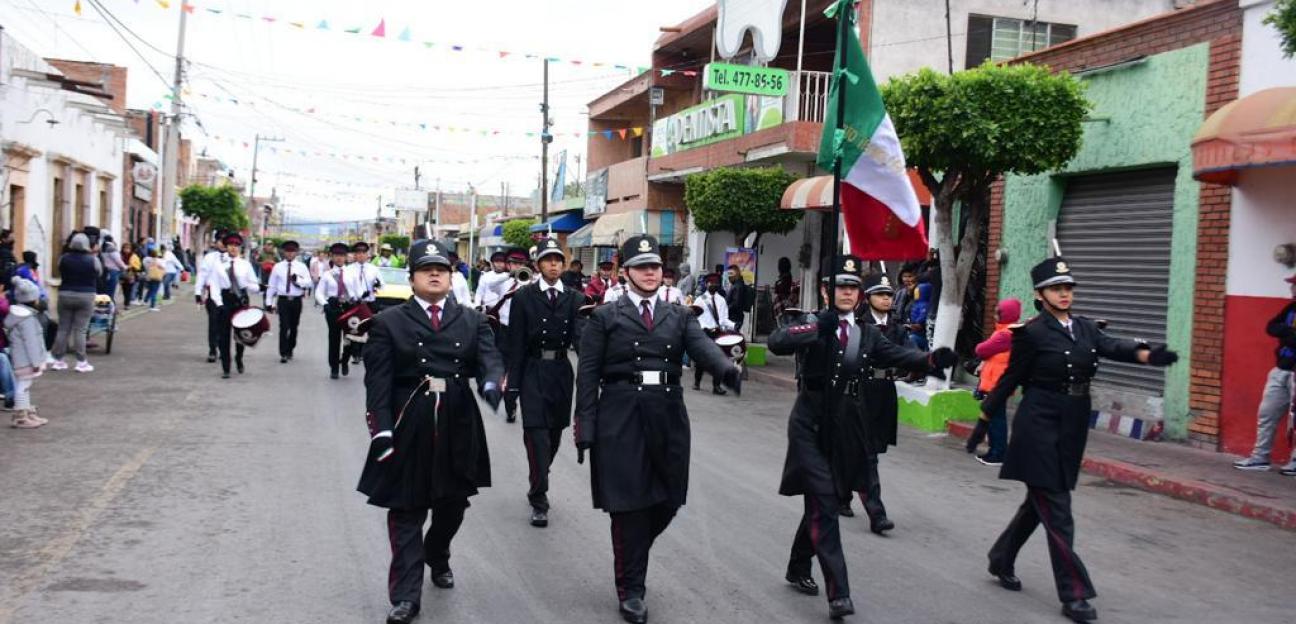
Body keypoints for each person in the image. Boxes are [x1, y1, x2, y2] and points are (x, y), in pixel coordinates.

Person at [982, 257, 1178, 623]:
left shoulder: (1086, 328)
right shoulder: (1032, 334)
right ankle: (1074, 594)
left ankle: (1000, 557)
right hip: (1037, 425)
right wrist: (983, 420)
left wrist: (1148, 354)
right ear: (1040, 295)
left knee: (1037, 505)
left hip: (1071, 425)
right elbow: (1010, 380)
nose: (1065, 293)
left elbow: (1113, 346)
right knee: (1057, 509)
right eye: (1057, 288)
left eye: (1068, 287)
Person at [768, 255, 954, 620]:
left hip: (845, 424)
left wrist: (931, 360)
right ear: (827, 290)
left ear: (861, 294)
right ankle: (839, 593)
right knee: (825, 502)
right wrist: (816, 326)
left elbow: (898, 355)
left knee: (828, 497)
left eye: (853, 287)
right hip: (809, 423)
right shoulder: (812, 323)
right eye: (841, 286)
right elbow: (777, 342)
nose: (848, 293)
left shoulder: (867, 334)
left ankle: (797, 566)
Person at [574, 234, 741, 624]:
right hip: (620, 413)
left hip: (667, 413)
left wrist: (727, 371)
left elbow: (702, 349)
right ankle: (632, 589)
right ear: (626, 272)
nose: (651, 273)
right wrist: (586, 426)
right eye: (642, 267)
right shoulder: (604, 317)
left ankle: (630, 554)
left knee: (668, 500)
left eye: (656, 267)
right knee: (629, 506)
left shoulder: (679, 315)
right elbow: (587, 376)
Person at [357, 240, 503, 624]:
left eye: (442, 269)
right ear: (412, 278)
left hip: (457, 417)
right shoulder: (389, 322)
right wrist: (381, 430)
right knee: (406, 509)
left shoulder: (472, 320)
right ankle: (406, 596)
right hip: (410, 418)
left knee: (453, 504)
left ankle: (437, 553)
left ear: (452, 277)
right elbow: (378, 383)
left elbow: (489, 358)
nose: (435, 274)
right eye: (426, 269)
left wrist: (492, 383)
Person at [505, 236, 584, 528]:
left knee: (553, 436)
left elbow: (581, 340)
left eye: (558, 260)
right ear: (538, 265)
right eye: (548, 260)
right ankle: (540, 499)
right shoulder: (524, 297)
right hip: (532, 371)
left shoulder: (575, 298)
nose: (553, 264)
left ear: (563, 265)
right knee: (536, 436)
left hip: (562, 371)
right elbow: (515, 344)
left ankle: (539, 476)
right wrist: (511, 386)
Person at [838, 272, 911, 530]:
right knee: (867, 454)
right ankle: (876, 513)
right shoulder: (857, 325)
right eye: (881, 294)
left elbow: (908, 354)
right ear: (867, 298)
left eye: (889, 294)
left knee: (871, 448)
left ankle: (842, 493)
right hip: (861, 390)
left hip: (885, 392)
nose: (886, 299)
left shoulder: (898, 327)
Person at [1233, 273, 1296, 475]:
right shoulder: (1291, 308)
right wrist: (1288, 332)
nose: (1291, 289)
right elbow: (1271, 326)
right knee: (1267, 413)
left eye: (1294, 285)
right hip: (1281, 370)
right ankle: (1260, 457)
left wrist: (1288, 335)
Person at [968, 298, 1023, 467]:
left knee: (996, 420)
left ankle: (998, 453)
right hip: (996, 383)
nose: (994, 315)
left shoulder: (1005, 335)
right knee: (993, 418)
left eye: (998, 312)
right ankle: (995, 450)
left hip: (996, 384)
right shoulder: (1006, 332)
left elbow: (981, 349)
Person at [202, 232, 261, 379]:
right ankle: (226, 367)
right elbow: (214, 286)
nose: (233, 248)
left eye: (236, 246)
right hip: (225, 299)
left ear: (240, 248)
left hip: (240, 300)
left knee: (241, 334)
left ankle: (239, 358)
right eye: (230, 245)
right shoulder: (219, 265)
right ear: (226, 247)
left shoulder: (245, 265)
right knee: (223, 335)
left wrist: (255, 286)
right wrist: (219, 303)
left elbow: (254, 285)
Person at [487, 249, 531, 423]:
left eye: (521, 264)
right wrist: (509, 275)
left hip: (525, 334)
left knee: (523, 369)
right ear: (509, 264)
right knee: (504, 371)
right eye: (514, 263)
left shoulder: (530, 282)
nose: (518, 266)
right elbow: (491, 286)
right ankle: (510, 405)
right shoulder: (503, 281)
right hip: (505, 332)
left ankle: (518, 400)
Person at [50, 233, 101, 373]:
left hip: (65, 293)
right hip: (86, 295)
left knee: (63, 328)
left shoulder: (64, 259)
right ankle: (81, 361)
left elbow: (60, 269)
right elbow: (98, 273)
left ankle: (58, 360)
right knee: (80, 329)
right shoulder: (92, 260)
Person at [6, 277, 48, 429]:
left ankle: (27, 412)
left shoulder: (19, 315)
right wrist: (37, 362)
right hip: (26, 360)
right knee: (23, 386)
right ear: (32, 300)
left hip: (21, 358)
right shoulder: (27, 319)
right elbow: (32, 342)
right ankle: (21, 416)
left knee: (24, 385)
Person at [265, 240, 312, 364]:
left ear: (296, 253)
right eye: (287, 251)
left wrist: (298, 280)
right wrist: (269, 302)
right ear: (284, 252)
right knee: (283, 326)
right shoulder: (278, 267)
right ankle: (283, 352)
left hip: (296, 300)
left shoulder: (301, 267)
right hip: (283, 300)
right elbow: (272, 285)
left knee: (294, 327)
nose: (290, 254)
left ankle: (291, 347)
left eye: (292, 252)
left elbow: (309, 283)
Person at [314, 243, 354, 379]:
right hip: (333, 307)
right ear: (332, 257)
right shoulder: (327, 275)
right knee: (334, 338)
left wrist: (364, 294)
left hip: (349, 307)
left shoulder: (351, 273)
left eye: (342, 255)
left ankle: (345, 360)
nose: (339, 258)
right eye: (336, 255)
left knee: (350, 338)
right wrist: (325, 304)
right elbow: (319, 292)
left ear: (346, 257)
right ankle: (334, 367)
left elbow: (358, 291)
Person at [342, 241, 384, 365]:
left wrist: (377, 285)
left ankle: (361, 353)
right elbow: (347, 286)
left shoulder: (374, 269)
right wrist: (357, 296)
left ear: (367, 255)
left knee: (367, 329)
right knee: (355, 328)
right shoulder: (349, 269)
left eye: (363, 253)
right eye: (358, 253)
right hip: (355, 303)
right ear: (355, 255)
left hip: (369, 303)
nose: (360, 255)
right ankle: (354, 353)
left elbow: (382, 285)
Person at [692, 273, 734, 394]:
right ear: (706, 284)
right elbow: (696, 317)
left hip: (718, 332)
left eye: (716, 283)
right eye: (711, 283)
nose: (713, 285)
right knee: (702, 359)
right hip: (704, 332)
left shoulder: (721, 300)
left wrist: (733, 325)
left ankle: (716, 386)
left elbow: (723, 319)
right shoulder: (700, 300)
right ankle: (697, 381)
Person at [193, 235, 226, 363]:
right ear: (216, 242)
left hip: (228, 295)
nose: (223, 244)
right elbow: (202, 275)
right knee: (213, 323)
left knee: (225, 325)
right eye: (220, 241)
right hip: (212, 295)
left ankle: (224, 349)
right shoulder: (209, 257)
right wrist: (197, 292)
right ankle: (213, 350)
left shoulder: (233, 258)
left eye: (225, 241)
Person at [725, 264, 754, 331]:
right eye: (728, 274)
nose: (729, 276)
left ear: (737, 274)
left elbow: (736, 303)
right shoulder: (738, 285)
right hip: (736, 317)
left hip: (733, 317)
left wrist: (725, 310)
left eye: (731, 273)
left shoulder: (737, 286)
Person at [100, 235, 126, 301]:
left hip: (104, 270)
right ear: (112, 240)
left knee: (105, 291)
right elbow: (117, 260)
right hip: (113, 271)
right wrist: (124, 267)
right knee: (111, 291)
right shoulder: (111, 248)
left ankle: (103, 307)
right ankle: (110, 308)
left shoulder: (102, 247)